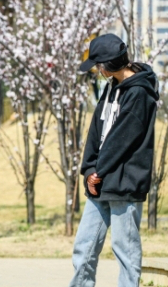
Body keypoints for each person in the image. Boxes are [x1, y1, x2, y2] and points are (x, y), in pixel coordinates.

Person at [70, 34, 158, 287]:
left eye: (99, 65)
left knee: (125, 248)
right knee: (84, 245)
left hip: (125, 181)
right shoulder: (111, 88)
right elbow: (96, 131)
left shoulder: (140, 93)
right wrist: (89, 170)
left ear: (110, 63)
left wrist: (100, 169)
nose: (97, 70)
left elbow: (122, 138)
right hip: (100, 179)